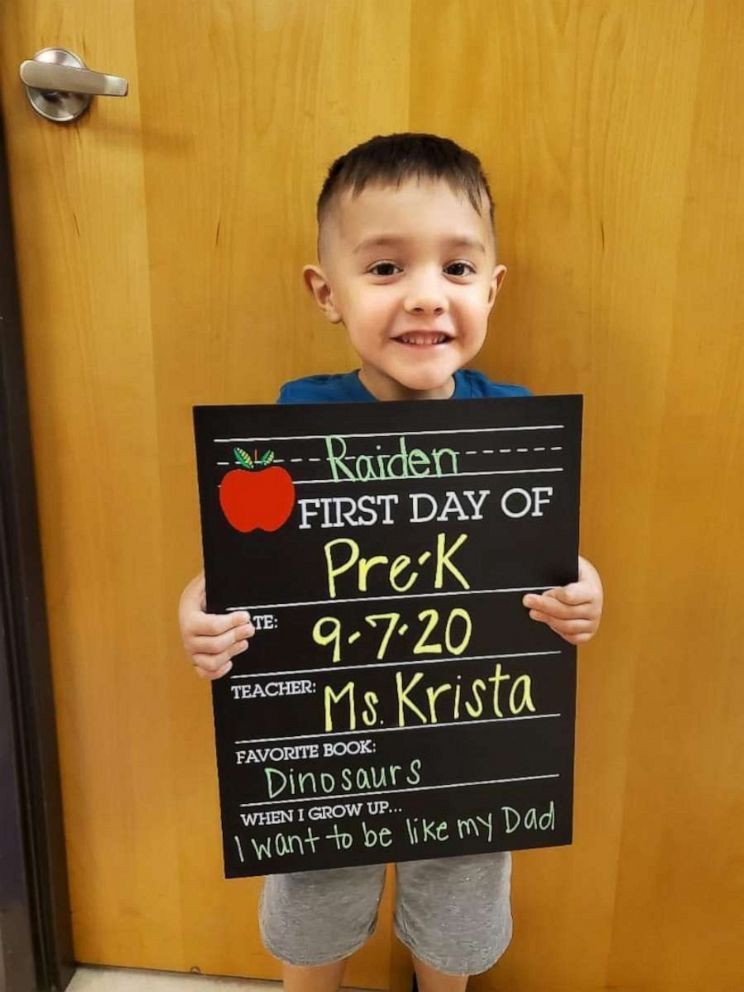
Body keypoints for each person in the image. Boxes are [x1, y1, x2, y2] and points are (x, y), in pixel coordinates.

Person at [178, 133, 604, 992]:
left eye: (456, 269)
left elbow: (539, 561)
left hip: (470, 740)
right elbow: (255, 562)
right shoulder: (295, 421)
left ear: (493, 287)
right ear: (325, 292)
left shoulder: (513, 429)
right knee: (313, 893)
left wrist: (582, 590)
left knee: (459, 901)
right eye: (384, 270)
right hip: (331, 748)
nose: (424, 298)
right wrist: (200, 606)